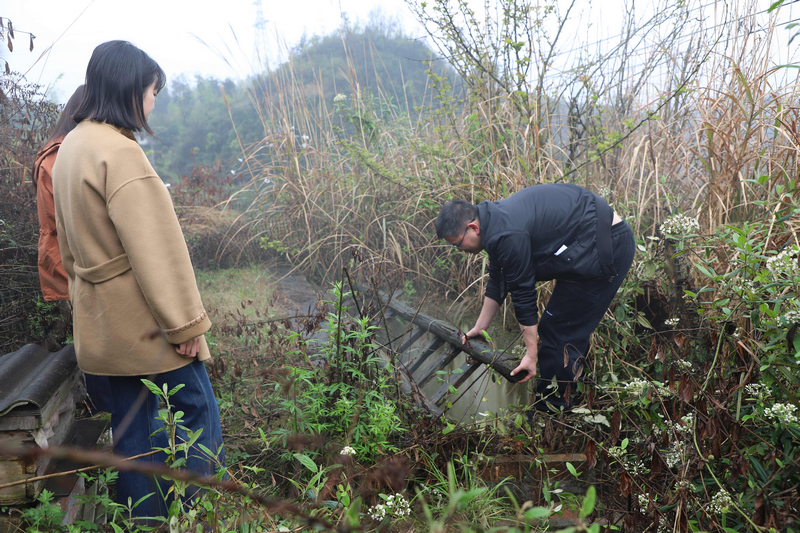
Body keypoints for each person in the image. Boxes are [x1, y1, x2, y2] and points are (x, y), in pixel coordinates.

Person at [52, 40, 224, 518]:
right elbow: (157, 252)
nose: (153, 104)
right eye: (152, 92)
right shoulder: (119, 154)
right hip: (148, 327)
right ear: (131, 90)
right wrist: (186, 325)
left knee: (134, 437)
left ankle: (142, 523)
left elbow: (68, 252)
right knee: (199, 417)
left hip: (104, 328)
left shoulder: (72, 146)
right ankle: (197, 518)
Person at [434, 183, 635, 413]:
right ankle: (569, 401)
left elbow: (523, 292)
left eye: (458, 244)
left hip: (606, 246)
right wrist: (481, 327)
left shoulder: (506, 233)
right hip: (586, 243)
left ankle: (552, 413)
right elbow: (500, 278)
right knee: (562, 327)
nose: (460, 250)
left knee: (559, 330)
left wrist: (531, 355)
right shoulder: (494, 222)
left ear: (473, 228)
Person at [32, 85, 114, 414]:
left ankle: (106, 411)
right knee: (97, 342)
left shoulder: (58, 152)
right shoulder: (59, 157)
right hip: (73, 263)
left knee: (94, 338)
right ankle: (107, 414)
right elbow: (64, 221)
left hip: (69, 261)